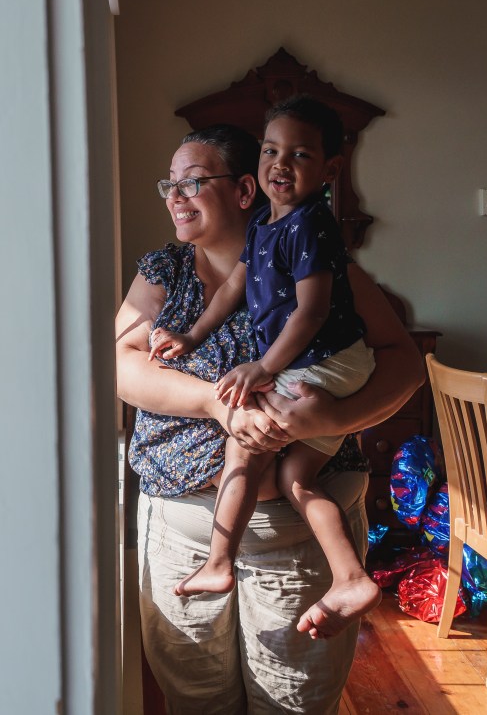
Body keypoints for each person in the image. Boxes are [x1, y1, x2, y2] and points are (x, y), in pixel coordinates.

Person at [115, 123, 423, 713]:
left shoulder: (320, 264)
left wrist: (330, 417)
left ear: (245, 191)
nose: (175, 197)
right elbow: (122, 369)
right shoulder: (163, 272)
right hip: (181, 528)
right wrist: (212, 403)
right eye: (169, 185)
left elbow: (405, 364)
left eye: (193, 182)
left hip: (295, 540)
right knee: (195, 699)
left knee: (293, 702)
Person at [148, 97, 380, 638]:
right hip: (308, 368)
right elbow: (233, 289)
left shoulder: (309, 226)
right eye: (271, 151)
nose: (280, 163)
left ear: (328, 171)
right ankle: (350, 577)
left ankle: (218, 561)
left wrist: (262, 367)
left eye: (298, 154)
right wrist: (190, 335)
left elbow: (314, 312)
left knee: (244, 438)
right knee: (297, 477)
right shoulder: (262, 230)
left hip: (329, 361)